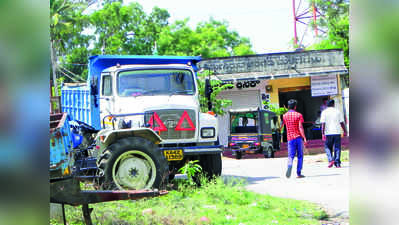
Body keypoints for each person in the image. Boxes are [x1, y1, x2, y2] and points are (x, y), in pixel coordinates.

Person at [280, 99, 307, 178]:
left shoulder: (285, 116)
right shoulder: (299, 115)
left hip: (290, 139)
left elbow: (281, 126)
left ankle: (289, 165)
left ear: (288, 106)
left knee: (290, 156)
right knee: (300, 156)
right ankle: (298, 173)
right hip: (298, 138)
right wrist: (304, 138)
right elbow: (300, 127)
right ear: (295, 107)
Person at [320, 99, 348, 168]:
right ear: (333, 104)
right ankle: (337, 163)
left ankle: (330, 160)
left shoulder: (324, 112)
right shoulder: (337, 111)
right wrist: (345, 131)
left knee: (327, 147)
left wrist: (322, 133)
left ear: (327, 105)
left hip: (328, 133)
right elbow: (341, 122)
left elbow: (323, 124)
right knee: (337, 147)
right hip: (337, 132)